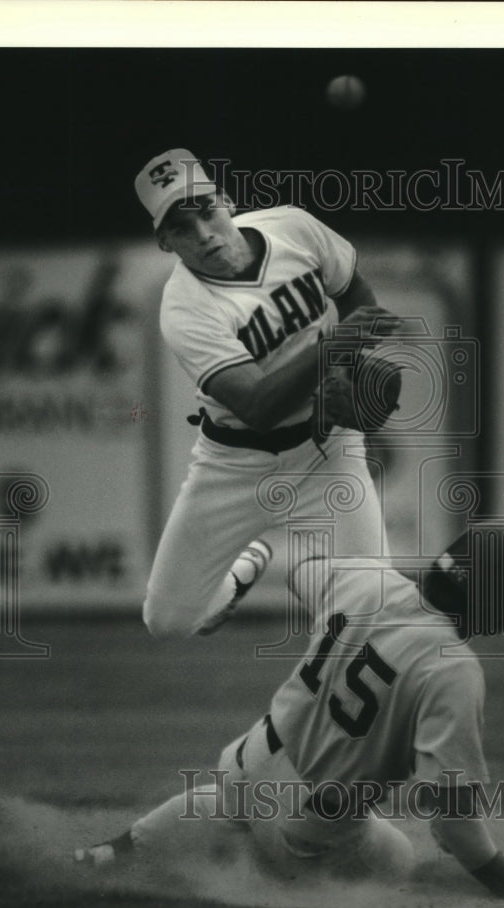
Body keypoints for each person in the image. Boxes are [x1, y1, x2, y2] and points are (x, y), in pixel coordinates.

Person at [76, 526, 504, 900]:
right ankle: (260, 887)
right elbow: (451, 822)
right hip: (304, 831)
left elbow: (302, 572)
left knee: (230, 803)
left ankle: (109, 853)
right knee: (398, 861)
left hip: (248, 763)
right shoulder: (454, 669)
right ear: (493, 607)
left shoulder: (368, 581)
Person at [133, 148, 400, 638]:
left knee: (369, 616)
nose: (203, 233)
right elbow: (257, 407)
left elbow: (357, 297)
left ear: (226, 200)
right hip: (234, 466)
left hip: (326, 450)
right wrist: (332, 348)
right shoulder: (184, 310)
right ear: (164, 242)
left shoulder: (294, 228)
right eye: (180, 226)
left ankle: (315, 579)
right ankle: (245, 571)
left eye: (205, 211)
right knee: (168, 621)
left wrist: (347, 367)